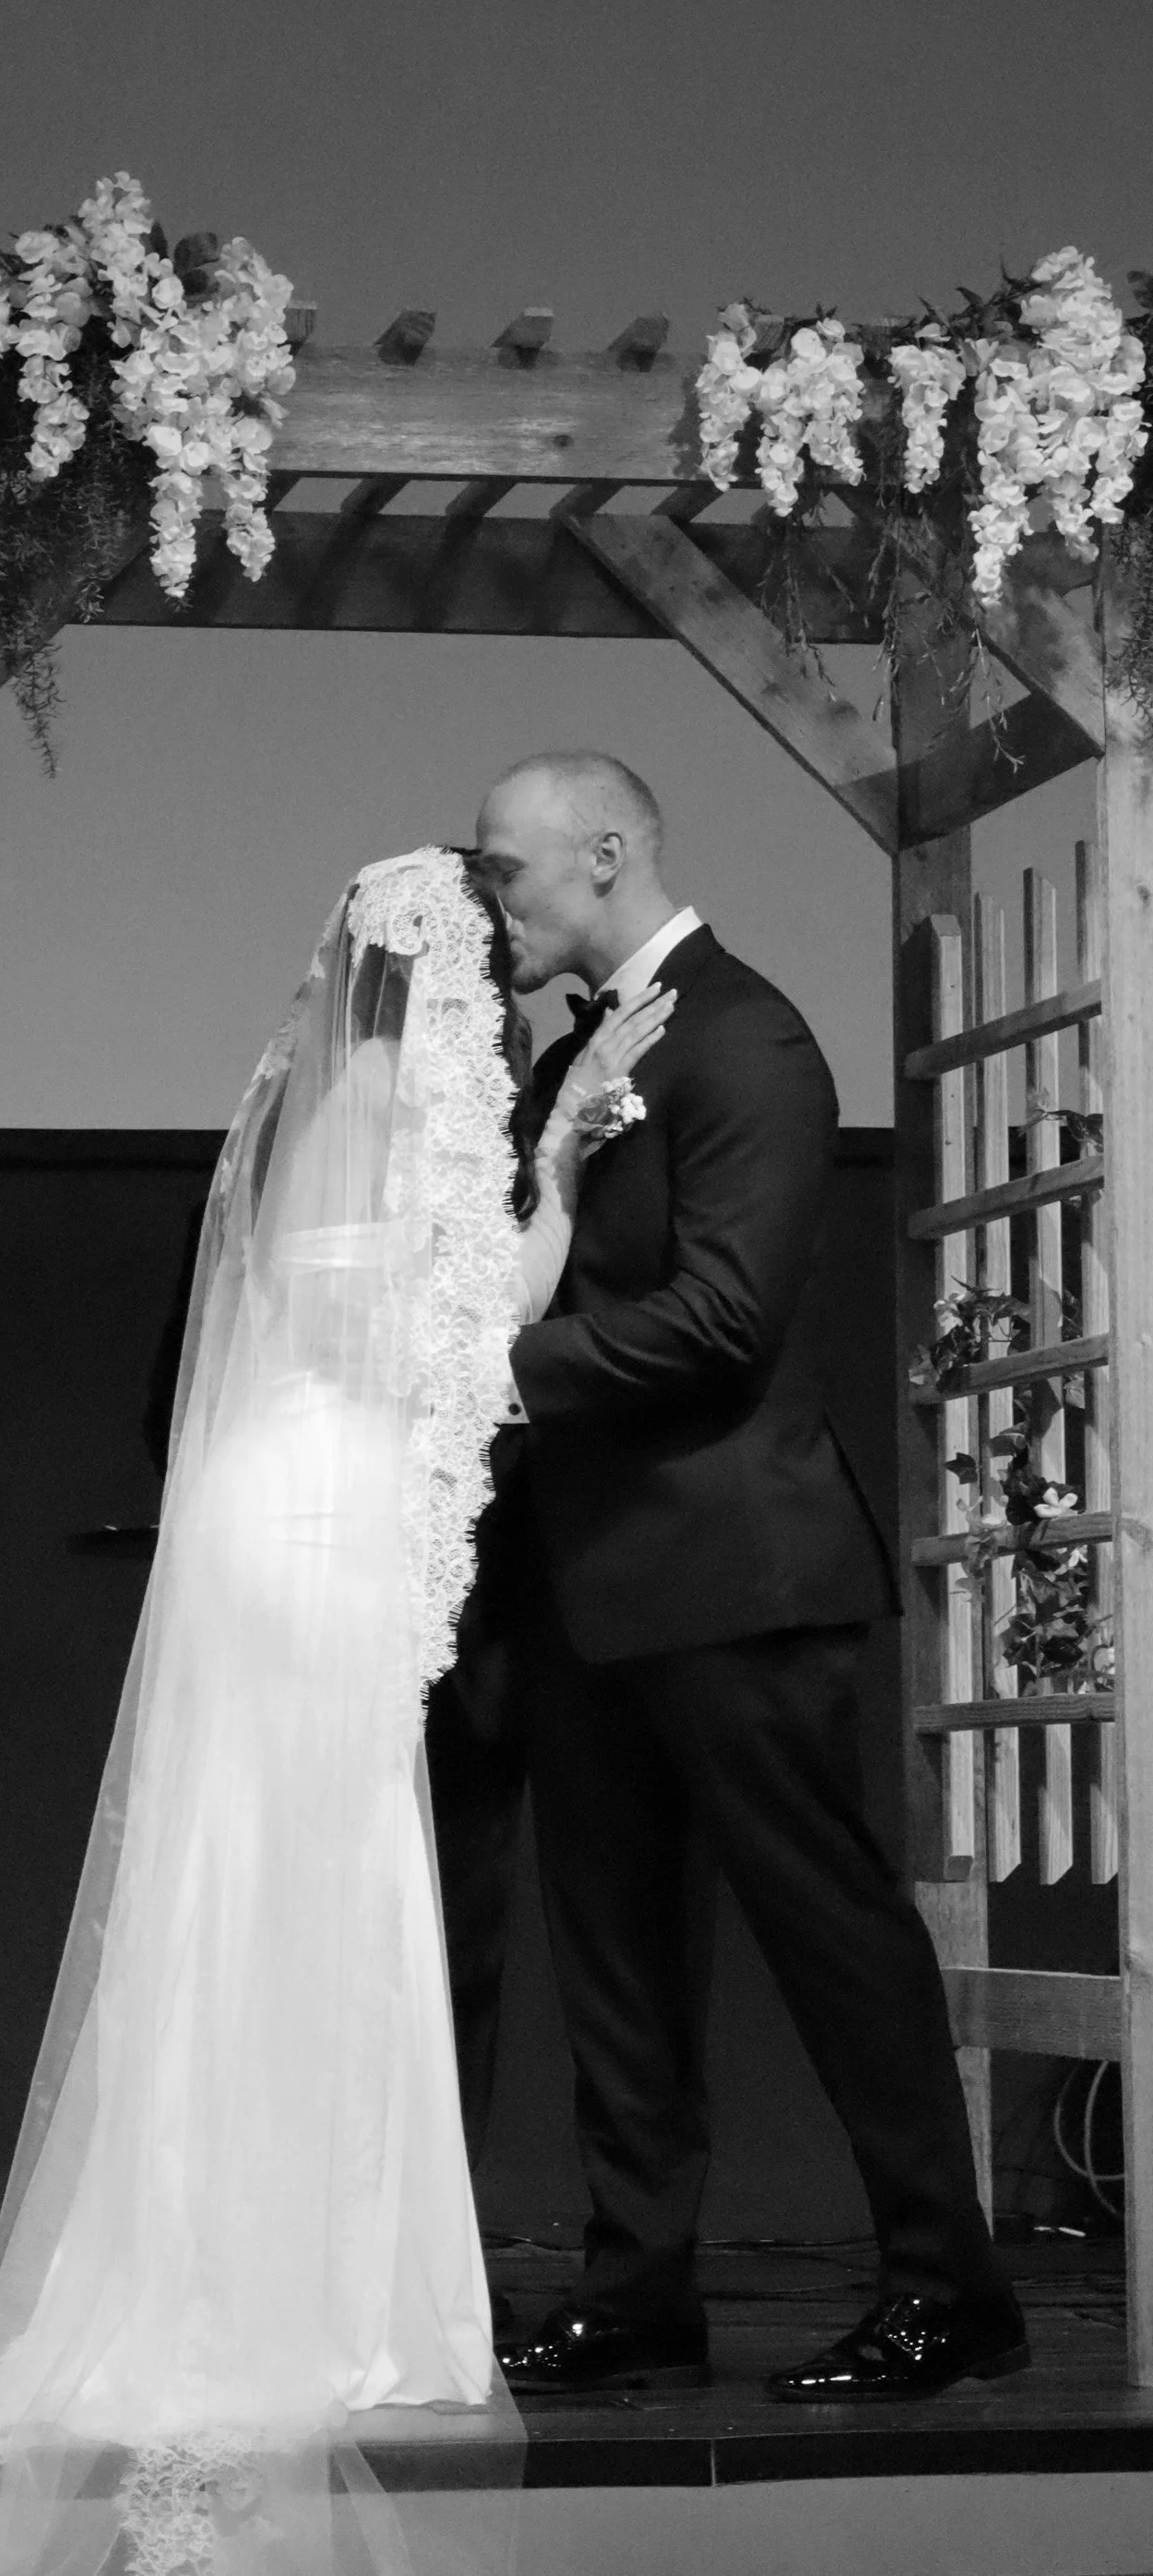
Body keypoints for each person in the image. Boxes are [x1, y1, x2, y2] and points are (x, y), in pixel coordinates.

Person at [0, 846, 670, 2576]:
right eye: (498, 957)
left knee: (248, 1880)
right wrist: (557, 1163)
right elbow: (472, 1330)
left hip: (270, 1501)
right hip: (320, 1521)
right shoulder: (399, 1099)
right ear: (449, 974)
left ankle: (238, 2254)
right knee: (317, 1879)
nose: (519, 986)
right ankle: (309, 2289)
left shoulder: (315, 1089)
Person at [460, 752, 1030, 2404]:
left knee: (832, 1933)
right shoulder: (580, 1054)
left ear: (608, 852)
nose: (501, 902)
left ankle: (951, 2282)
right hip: (589, 1582)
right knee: (617, 1953)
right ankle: (640, 2291)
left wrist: (491, 1372)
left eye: (511, 871)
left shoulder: (747, 1037)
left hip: (734, 1568)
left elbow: (723, 1321)